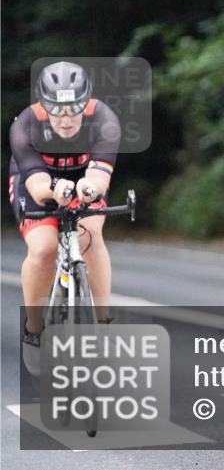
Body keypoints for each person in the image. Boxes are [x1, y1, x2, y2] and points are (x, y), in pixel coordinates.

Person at [9, 61, 121, 376]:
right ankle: (34, 327)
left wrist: (89, 186)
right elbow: (36, 184)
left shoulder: (104, 119)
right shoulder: (25, 125)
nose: (67, 117)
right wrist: (55, 188)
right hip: (38, 180)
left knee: (89, 235)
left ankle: (103, 323)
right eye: (57, 109)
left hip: (83, 177)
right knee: (44, 249)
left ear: (87, 103)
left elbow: (99, 176)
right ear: (43, 106)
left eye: (74, 108)